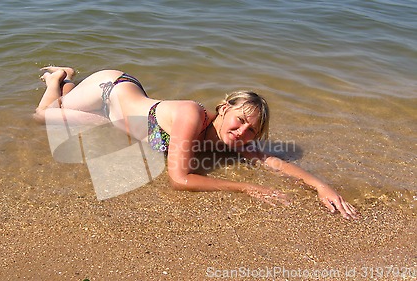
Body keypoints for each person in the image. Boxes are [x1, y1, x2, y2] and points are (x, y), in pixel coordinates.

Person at [34, 66, 358, 219]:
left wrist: (321, 187)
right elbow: (179, 180)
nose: (243, 132)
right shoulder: (191, 114)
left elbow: (275, 162)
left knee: (77, 116)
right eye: (240, 120)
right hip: (110, 88)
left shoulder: (232, 142)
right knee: (44, 116)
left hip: (115, 117)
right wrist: (247, 188)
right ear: (224, 107)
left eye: (251, 131)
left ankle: (70, 86)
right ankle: (57, 78)